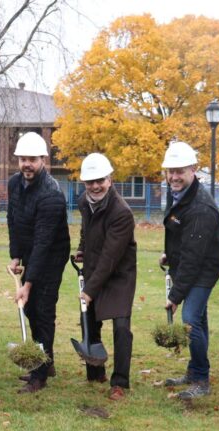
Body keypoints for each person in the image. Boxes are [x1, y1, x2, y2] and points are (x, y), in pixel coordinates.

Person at [159, 141, 219, 400]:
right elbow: (180, 234)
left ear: (193, 170)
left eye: (180, 171)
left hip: (204, 268)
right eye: (170, 171)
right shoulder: (177, 193)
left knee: (189, 320)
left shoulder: (200, 207)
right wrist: (169, 254)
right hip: (190, 261)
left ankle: (201, 380)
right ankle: (195, 370)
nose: (174, 176)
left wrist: (175, 296)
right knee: (198, 319)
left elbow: (193, 257)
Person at [6, 132, 70, 394]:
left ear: (43, 159)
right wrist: (15, 255)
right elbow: (13, 220)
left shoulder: (51, 194)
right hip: (31, 250)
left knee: (42, 311)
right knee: (30, 310)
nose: (26, 164)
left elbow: (44, 243)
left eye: (32, 159)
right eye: (22, 159)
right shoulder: (14, 183)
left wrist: (28, 284)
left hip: (51, 255)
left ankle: (39, 375)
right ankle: (46, 361)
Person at [73, 153, 136, 401]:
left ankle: (119, 381)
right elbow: (87, 229)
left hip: (119, 274)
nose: (95, 186)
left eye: (100, 180)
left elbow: (111, 257)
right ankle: (95, 371)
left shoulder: (121, 212)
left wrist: (89, 290)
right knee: (89, 320)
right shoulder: (83, 201)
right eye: (90, 182)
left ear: (109, 179)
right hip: (94, 267)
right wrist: (81, 247)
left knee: (121, 327)